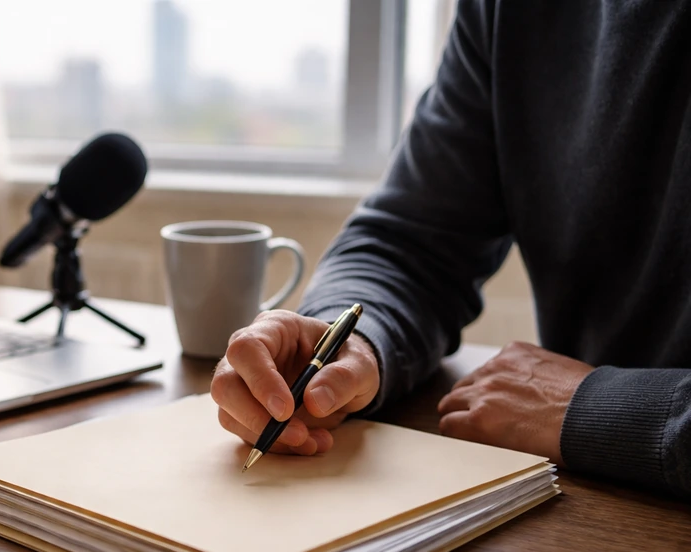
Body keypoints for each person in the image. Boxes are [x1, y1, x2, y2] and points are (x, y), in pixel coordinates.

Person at [210, 0, 691, 500]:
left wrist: (609, 412)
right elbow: (410, 241)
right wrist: (348, 342)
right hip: (592, 495)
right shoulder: (507, 12)